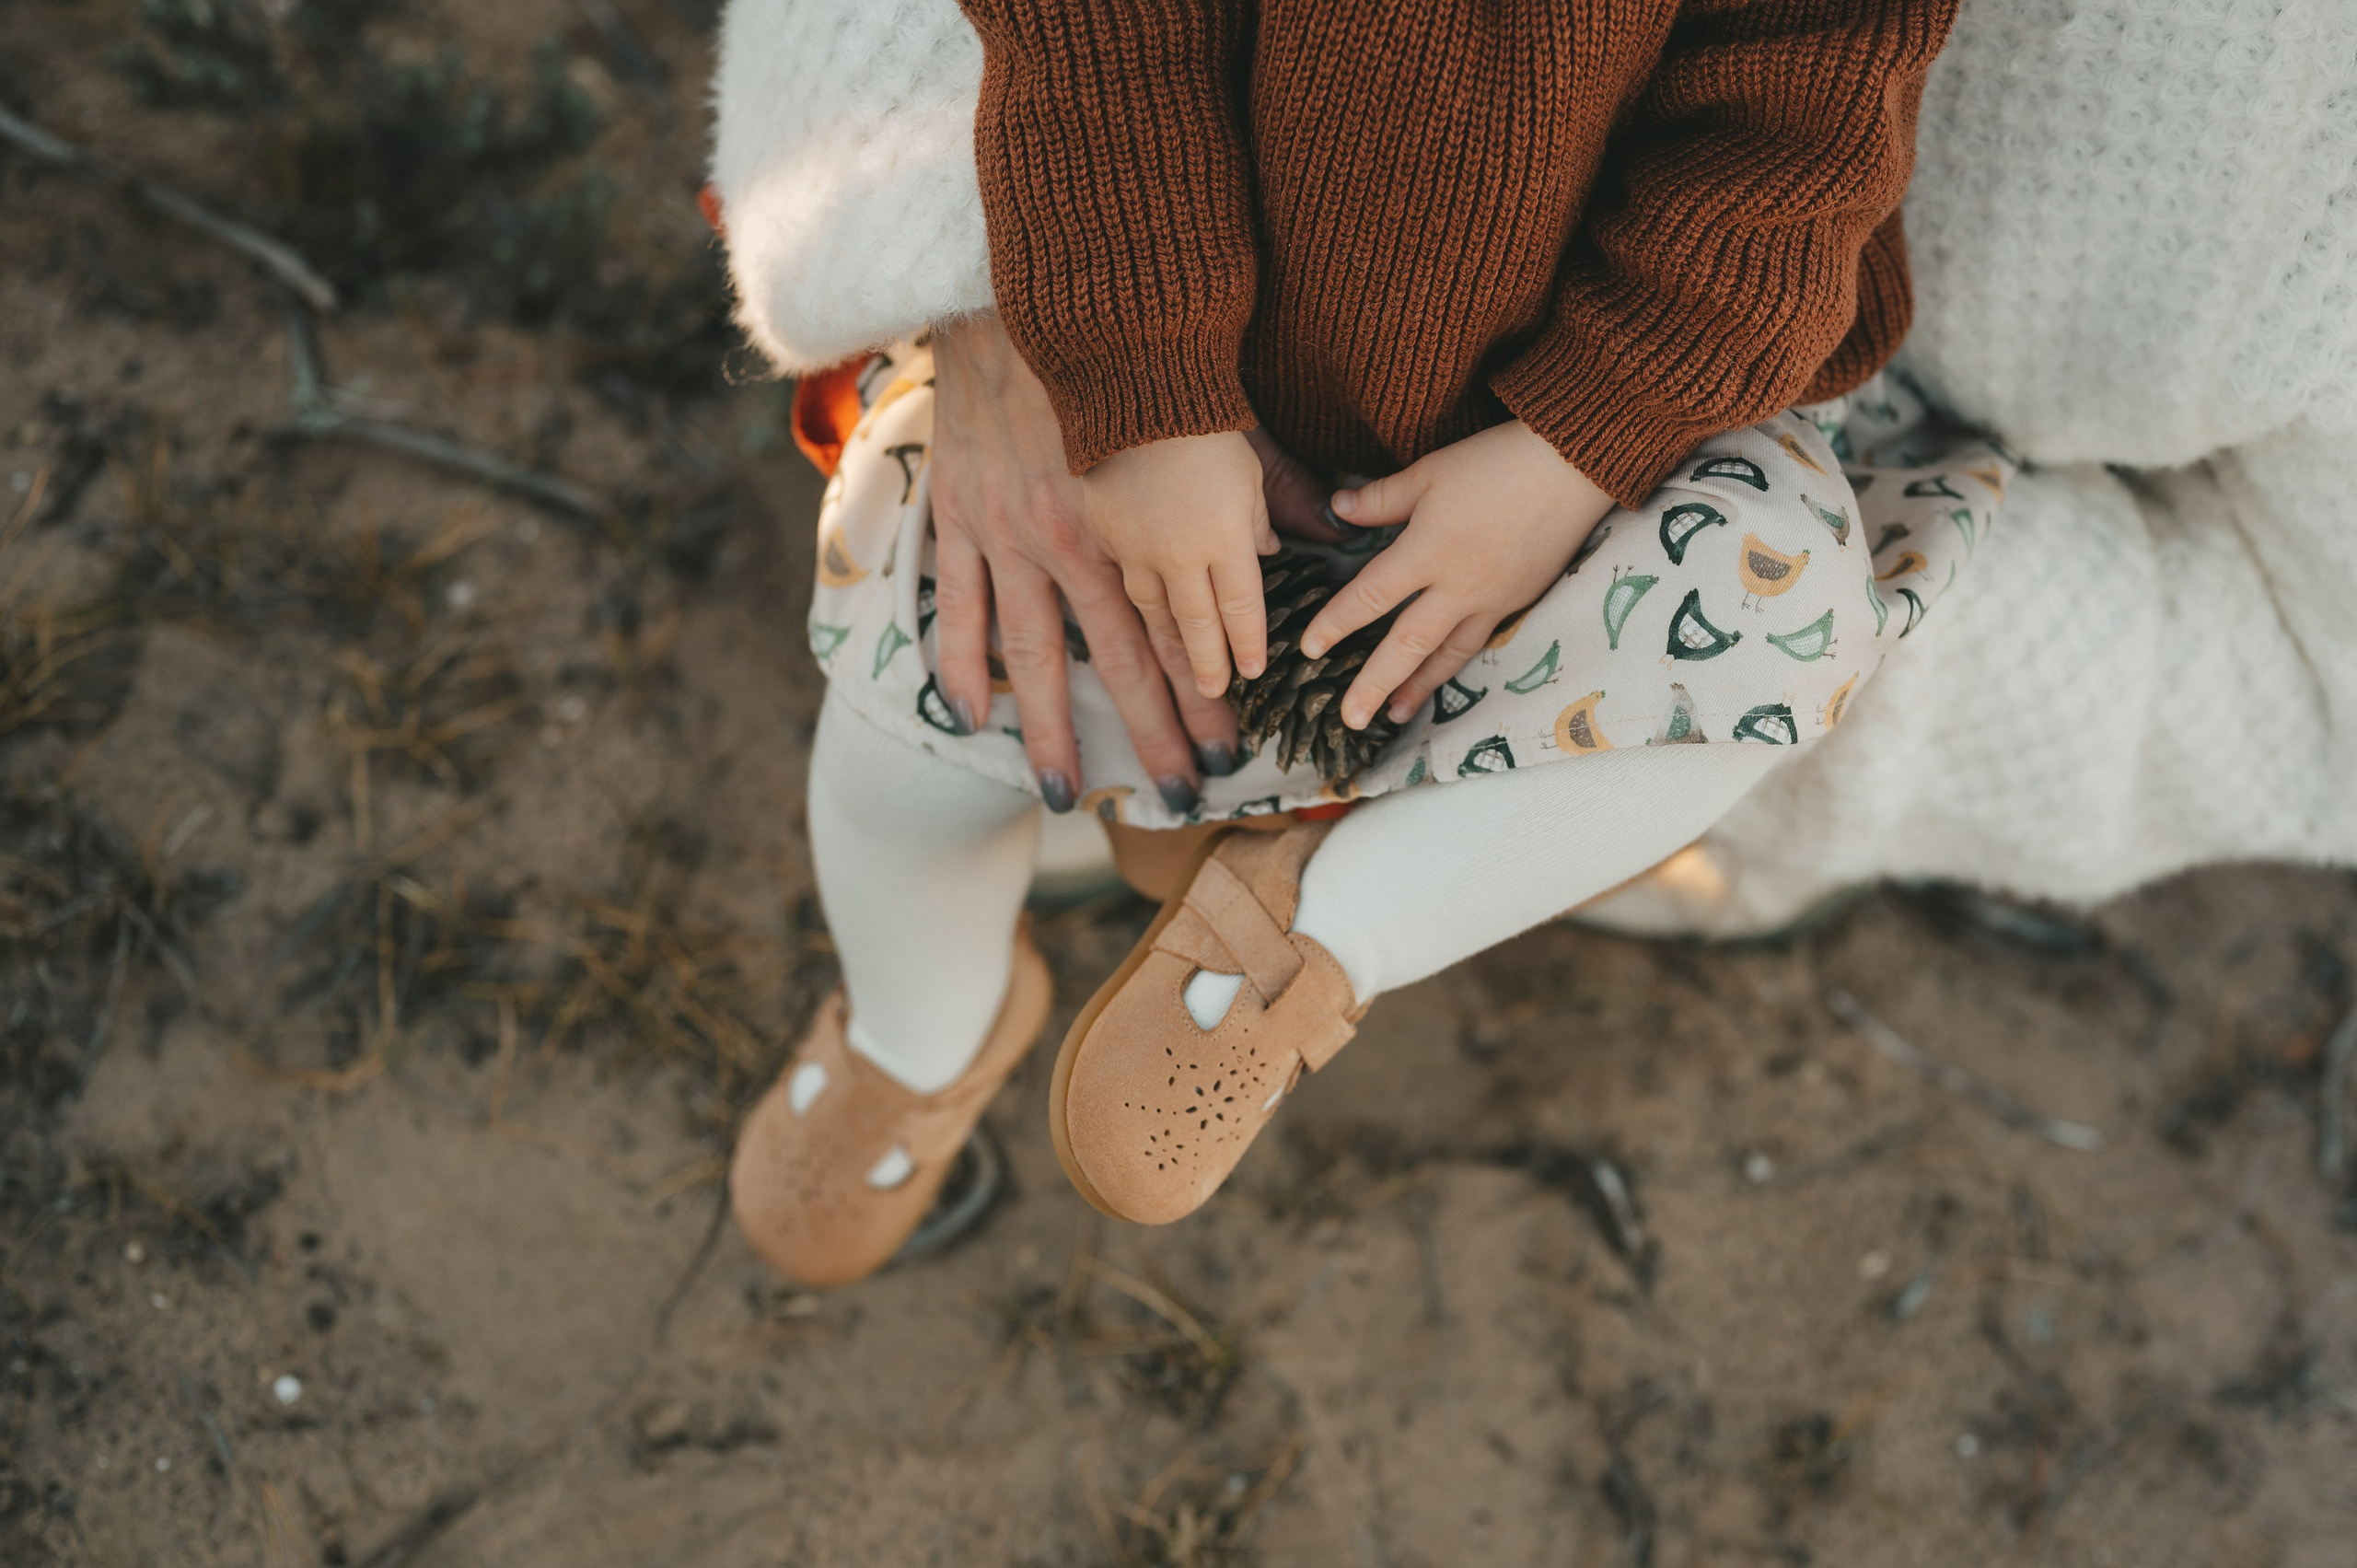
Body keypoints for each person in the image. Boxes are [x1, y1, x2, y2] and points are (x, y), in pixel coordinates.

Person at [714, 0, 1988, 1284]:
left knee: (1774, 630)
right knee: (904, 768)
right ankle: (915, 1035)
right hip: (1162, 416)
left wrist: (1573, 449)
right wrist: (1147, 377)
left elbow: (1791, 151)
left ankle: (1302, 943)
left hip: (1574, 464)